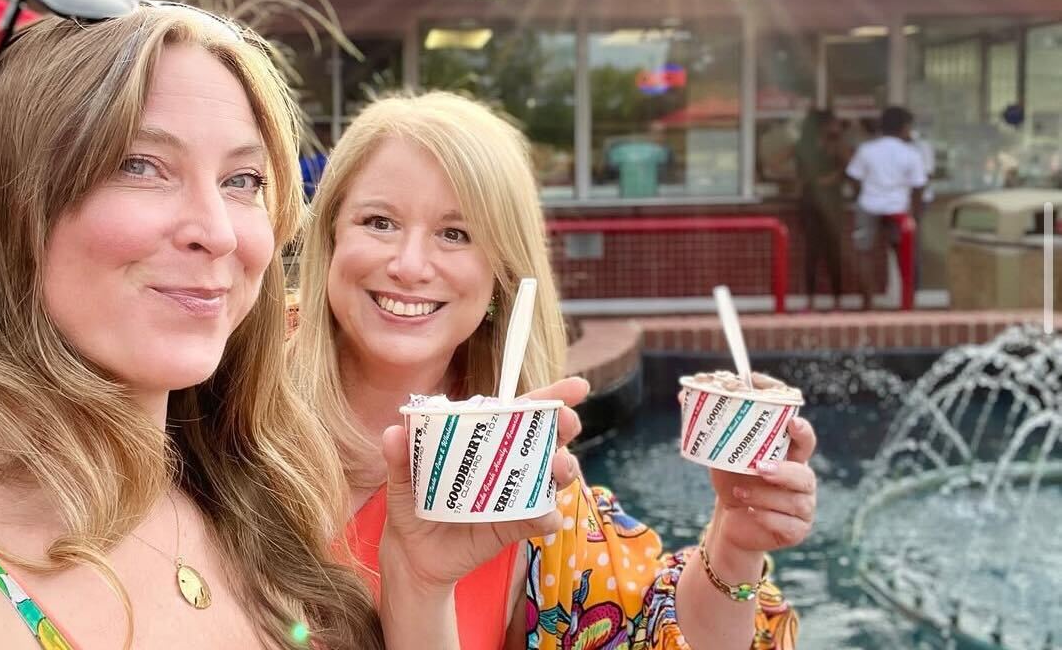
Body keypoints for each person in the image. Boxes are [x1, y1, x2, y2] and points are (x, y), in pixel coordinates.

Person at [0, 0, 423, 649]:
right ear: (4, 207)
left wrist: (420, 584)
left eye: (242, 181)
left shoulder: (250, 489)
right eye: (140, 166)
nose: (217, 231)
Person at [292, 91, 817, 650]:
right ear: (331, 236)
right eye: (379, 222)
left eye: (456, 234)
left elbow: (655, 635)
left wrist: (735, 547)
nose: (410, 265)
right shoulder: (223, 406)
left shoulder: (523, 484)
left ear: (500, 276)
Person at [846, 105, 928, 310]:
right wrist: (914, 215)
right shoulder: (911, 154)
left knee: (865, 254)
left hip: (869, 206)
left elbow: (853, 177)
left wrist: (862, 195)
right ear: (904, 128)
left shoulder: (867, 150)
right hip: (898, 210)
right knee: (905, 256)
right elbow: (919, 187)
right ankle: (908, 303)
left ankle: (868, 304)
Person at [794, 110, 847, 310]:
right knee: (812, 252)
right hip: (811, 204)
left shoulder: (836, 145)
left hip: (832, 204)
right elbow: (805, 175)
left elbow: (849, 165)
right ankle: (810, 300)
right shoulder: (804, 147)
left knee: (834, 252)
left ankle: (837, 300)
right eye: (833, 124)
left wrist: (837, 144)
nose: (836, 127)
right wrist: (822, 180)